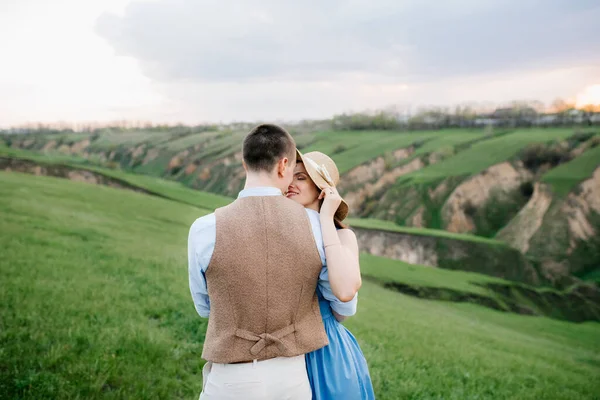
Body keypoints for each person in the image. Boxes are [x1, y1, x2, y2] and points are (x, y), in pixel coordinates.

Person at [188, 124, 358, 400]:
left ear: (245, 164)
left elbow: (204, 307)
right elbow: (343, 300)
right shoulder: (317, 226)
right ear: (283, 165)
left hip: (232, 377)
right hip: (292, 376)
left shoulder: (204, 228)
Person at [287, 150, 375, 400]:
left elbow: (344, 307)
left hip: (325, 349)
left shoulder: (343, 236)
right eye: (289, 177)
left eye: (301, 177)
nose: (290, 184)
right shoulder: (282, 230)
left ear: (322, 190)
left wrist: (326, 217)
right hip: (284, 347)